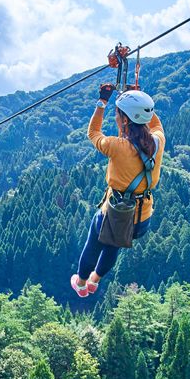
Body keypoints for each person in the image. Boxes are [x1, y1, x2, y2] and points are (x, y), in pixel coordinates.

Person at [71, 84, 164, 297]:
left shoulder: (116, 146)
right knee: (113, 245)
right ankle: (95, 281)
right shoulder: (159, 140)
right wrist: (139, 100)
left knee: (93, 246)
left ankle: (82, 283)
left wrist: (102, 101)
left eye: (118, 114)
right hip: (141, 219)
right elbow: (154, 121)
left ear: (125, 120)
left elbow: (93, 133)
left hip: (114, 213)